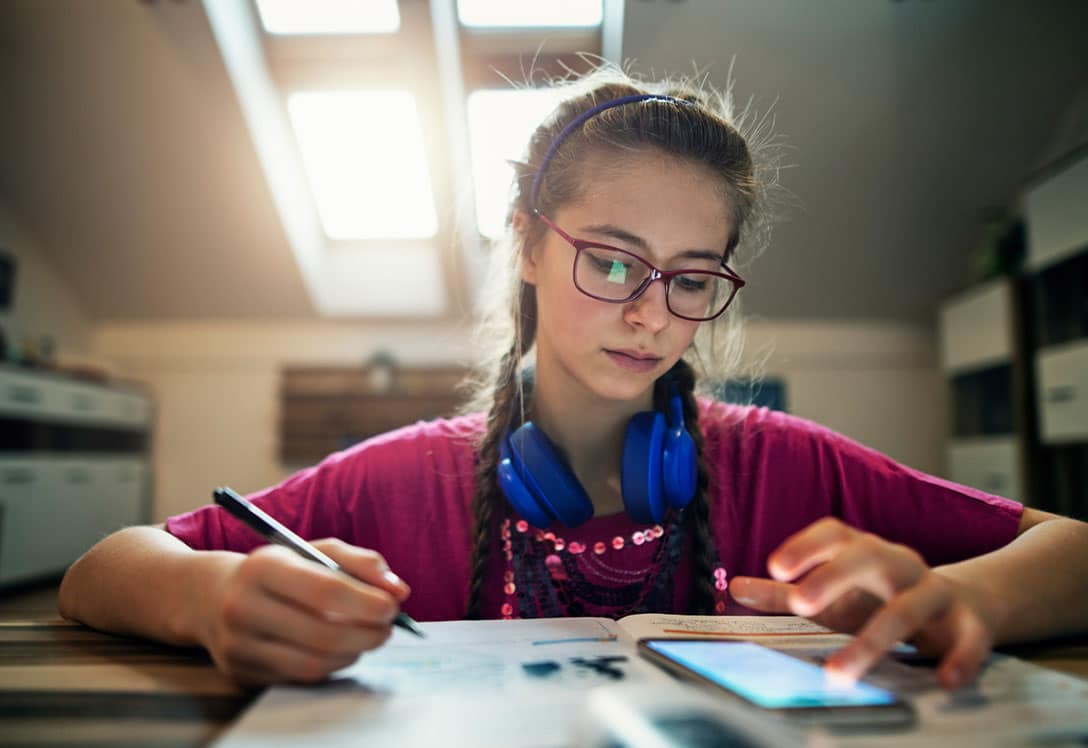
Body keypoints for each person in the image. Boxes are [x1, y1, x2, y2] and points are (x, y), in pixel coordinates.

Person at [58, 68, 1088, 690]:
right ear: (526, 246)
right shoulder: (400, 481)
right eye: (610, 260)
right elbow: (102, 565)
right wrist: (211, 593)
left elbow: (1069, 547)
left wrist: (959, 601)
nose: (650, 313)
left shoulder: (783, 464)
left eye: (691, 278)